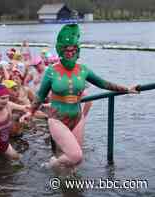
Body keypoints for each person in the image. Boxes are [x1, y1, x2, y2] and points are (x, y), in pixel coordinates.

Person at [21, 24, 140, 169]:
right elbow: (40, 96)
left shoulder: (83, 70)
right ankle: (51, 164)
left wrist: (127, 89)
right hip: (57, 118)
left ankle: (68, 186)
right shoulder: (51, 71)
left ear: (77, 50)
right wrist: (30, 112)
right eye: (67, 49)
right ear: (61, 50)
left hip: (77, 118)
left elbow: (103, 84)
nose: (70, 53)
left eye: (73, 49)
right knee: (75, 156)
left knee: (73, 165)